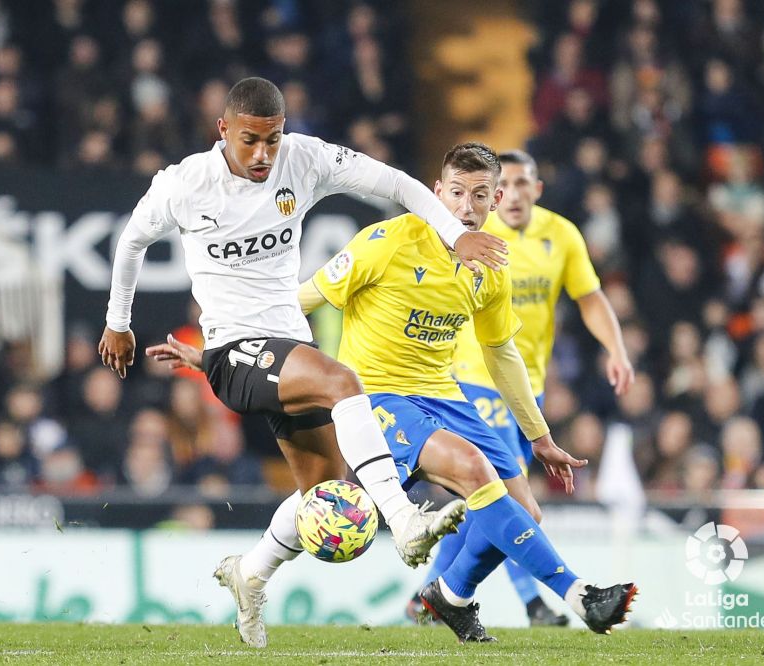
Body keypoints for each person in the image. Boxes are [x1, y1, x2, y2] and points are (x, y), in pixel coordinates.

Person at [148, 142, 637, 644]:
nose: (467, 208)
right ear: (435, 193)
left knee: (522, 510)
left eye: (481, 196)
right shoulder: (386, 243)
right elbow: (304, 296)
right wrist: (221, 345)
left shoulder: (489, 263)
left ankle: (450, 595)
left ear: (495, 201)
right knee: (470, 473)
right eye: (457, 194)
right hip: (378, 397)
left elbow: (500, 353)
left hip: (445, 396)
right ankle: (581, 596)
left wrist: (539, 436)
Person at [99, 77, 506, 647]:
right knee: (343, 381)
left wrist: (453, 234)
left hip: (288, 345)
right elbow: (131, 242)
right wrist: (119, 322)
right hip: (234, 354)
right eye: (250, 141)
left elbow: (401, 185)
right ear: (223, 131)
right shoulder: (185, 184)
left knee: (329, 493)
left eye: (273, 139)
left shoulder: (306, 160)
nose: (263, 154)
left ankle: (250, 573)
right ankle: (405, 519)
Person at [409, 148, 636, 626]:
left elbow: (590, 298)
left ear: (537, 189)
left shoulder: (561, 235)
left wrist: (615, 348)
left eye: (520, 184)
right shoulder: (469, 233)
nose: (511, 195)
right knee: (509, 492)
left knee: (481, 499)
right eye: (503, 186)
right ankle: (535, 603)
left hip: (525, 385)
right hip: (471, 379)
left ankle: (433, 593)